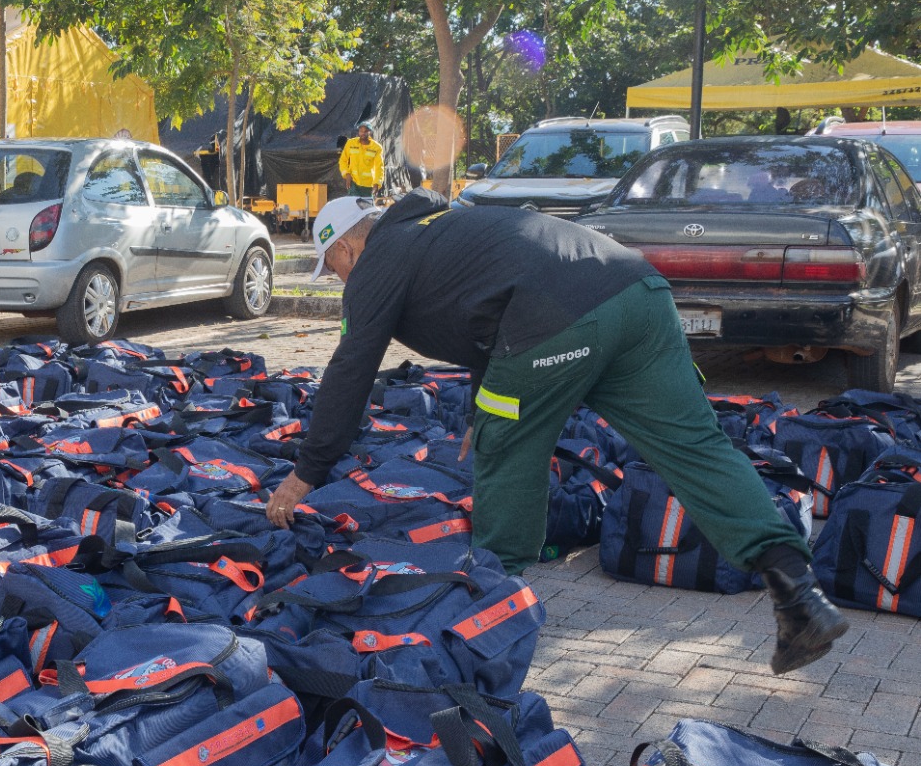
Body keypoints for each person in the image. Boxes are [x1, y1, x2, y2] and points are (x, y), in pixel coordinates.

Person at [263, 189, 850, 676]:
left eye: (332, 265)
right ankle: (799, 595)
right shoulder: (441, 226)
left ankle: (490, 621)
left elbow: (351, 365)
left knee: (506, 450)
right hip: (638, 293)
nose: (338, 279)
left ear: (346, 244)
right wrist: (475, 412)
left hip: (561, 320)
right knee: (696, 448)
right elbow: (481, 314)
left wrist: (307, 471)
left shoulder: (381, 256)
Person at [337, 122, 384, 197]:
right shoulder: (351, 143)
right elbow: (343, 160)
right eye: (361, 131)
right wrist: (347, 174)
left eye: (365, 131)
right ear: (358, 132)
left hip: (368, 185)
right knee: (354, 203)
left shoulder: (376, 147)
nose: (363, 133)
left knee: (366, 206)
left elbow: (379, 167)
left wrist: (377, 183)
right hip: (353, 182)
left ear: (370, 132)